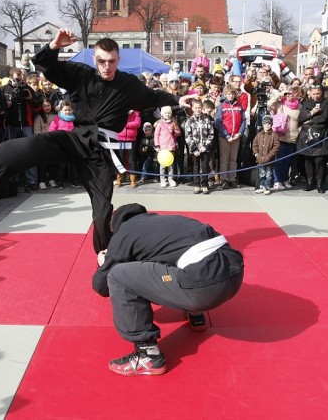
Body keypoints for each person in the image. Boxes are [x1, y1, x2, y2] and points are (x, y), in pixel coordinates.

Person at [0, 29, 178, 253]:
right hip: (76, 138)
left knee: (102, 208)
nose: (106, 66)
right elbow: (46, 66)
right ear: (94, 59)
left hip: (100, 151)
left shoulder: (128, 84)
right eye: (101, 61)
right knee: (34, 144)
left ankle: (104, 255)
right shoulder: (81, 74)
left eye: (111, 61)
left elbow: (153, 97)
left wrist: (179, 99)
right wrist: (54, 46)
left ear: (118, 59)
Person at [92, 203, 244, 376]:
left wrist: (103, 262)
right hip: (234, 274)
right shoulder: (165, 223)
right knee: (166, 263)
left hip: (203, 286)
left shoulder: (125, 231)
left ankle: (148, 355)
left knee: (118, 275)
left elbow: (101, 285)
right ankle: (196, 314)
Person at [296, 84, 328, 193]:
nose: (316, 96)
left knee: (319, 160)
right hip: (307, 135)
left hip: (320, 134)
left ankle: (320, 183)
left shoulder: (326, 103)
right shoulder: (307, 103)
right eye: (314, 94)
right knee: (308, 159)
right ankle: (309, 181)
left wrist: (311, 120)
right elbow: (301, 118)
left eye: (318, 94)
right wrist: (311, 113)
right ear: (310, 93)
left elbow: (324, 118)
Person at [215, 85, 246, 189]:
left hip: (236, 136)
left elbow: (243, 120)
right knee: (224, 159)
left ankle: (232, 178)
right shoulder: (222, 106)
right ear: (225, 95)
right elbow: (218, 122)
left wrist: (240, 133)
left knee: (233, 159)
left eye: (232, 94)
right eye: (229, 94)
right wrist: (226, 135)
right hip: (224, 137)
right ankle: (224, 179)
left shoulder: (239, 106)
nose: (231, 96)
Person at [185, 98, 214, 194]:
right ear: (192, 108)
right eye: (196, 108)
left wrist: (205, 146)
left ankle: (204, 184)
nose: (198, 109)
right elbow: (188, 136)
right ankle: (197, 184)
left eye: (200, 108)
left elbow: (211, 134)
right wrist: (194, 149)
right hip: (195, 149)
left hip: (205, 148)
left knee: (205, 167)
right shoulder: (189, 121)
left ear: (202, 108)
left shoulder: (207, 120)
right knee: (196, 167)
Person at [33, 99, 58, 189]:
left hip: (54, 141)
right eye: (44, 106)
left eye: (48, 105)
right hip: (43, 142)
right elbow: (37, 131)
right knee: (43, 163)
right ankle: (42, 181)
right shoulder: (38, 117)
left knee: (54, 161)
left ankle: (51, 179)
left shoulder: (55, 116)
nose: (47, 107)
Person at [253, 115, 280, 195]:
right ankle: (261, 186)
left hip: (269, 160)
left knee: (269, 174)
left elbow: (276, 147)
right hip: (260, 159)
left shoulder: (274, 135)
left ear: (271, 124)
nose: (267, 125)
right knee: (261, 173)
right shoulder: (259, 135)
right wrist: (257, 155)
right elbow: (255, 145)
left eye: (268, 124)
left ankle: (267, 186)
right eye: (265, 124)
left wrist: (268, 156)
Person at [154, 105, 181, 188]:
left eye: (169, 113)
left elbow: (178, 133)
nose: (167, 114)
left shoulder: (173, 123)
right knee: (162, 165)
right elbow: (156, 135)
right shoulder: (160, 124)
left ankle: (171, 179)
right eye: (165, 113)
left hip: (171, 146)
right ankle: (163, 179)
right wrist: (157, 145)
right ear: (162, 114)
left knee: (171, 164)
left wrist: (174, 132)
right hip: (162, 147)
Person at [115, 110, 141, 188]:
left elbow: (137, 124)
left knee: (131, 160)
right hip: (121, 139)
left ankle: (133, 180)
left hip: (131, 139)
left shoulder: (136, 113)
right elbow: (117, 122)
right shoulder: (120, 112)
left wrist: (125, 124)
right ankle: (119, 179)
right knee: (120, 159)